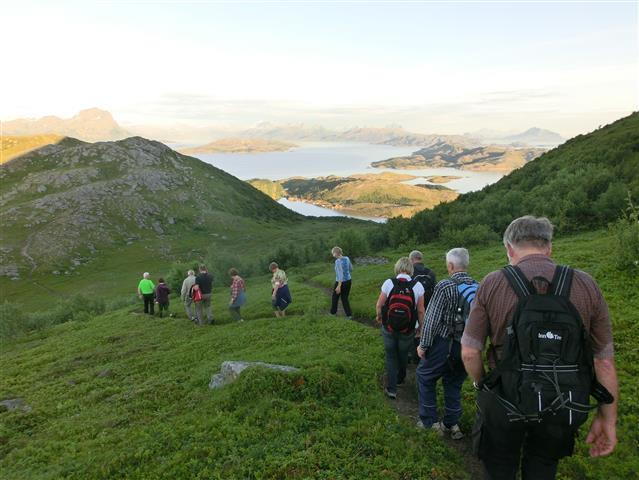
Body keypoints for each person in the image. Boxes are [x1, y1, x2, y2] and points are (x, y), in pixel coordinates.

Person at [461, 216, 618, 480]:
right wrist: (607, 418)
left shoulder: (493, 282)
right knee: (544, 466)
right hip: (563, 402)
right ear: (549, 247)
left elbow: (469, 351)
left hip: (505, 400)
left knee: (499, 466)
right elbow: (603, 362)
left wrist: (482, 386)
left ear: (509, 248)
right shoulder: (586, 285)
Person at [415, 248, 476, 440]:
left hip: (444, 344)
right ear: (466, 264)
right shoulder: (478, 286)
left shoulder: (445, 286)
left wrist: (423, 345)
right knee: (454, 382)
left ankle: (429, 422)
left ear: (450, 265)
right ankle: (452, 423)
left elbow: (432, 320)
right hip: (467, 347)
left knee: (425, 376)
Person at [375, 257, 425, 400]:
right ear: (411, 270)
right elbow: (421, 311)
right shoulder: (417, 286)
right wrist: (421, 328)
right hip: (408, 328)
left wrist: (379, 317)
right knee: (403, 354)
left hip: (389, 327)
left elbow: (379, 305)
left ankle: (391, 389)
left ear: (397, 268)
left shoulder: (389, 282)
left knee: (391, 357)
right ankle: (401, 377)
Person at [409, 250, 437, 363]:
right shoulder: (430, 273)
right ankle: (427, 353)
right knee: (427, 330)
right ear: (421, 259)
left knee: (415, 331)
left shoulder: (411, 273)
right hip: (429, 307)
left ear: (411, 260)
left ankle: (415, 357)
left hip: (415, 308)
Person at [330, 246, 353, 318]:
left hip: (340, 282)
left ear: (336, 253)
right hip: (348, 281)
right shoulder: (347, 258)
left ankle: (332, 313)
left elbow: (340, 275)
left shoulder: (337, 261)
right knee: (344, 298)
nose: (332, 254)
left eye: (333, 253)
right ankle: (349, 315)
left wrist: (339, 286)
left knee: (334, 298)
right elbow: (351, 268)